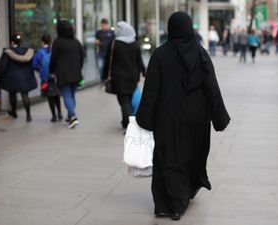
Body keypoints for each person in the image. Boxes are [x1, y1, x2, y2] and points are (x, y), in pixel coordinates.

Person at [136, 12, 230, 221]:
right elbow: (211, 87)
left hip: (167, 117)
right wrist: (220, 117)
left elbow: (151, 90)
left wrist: (145, 118)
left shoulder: (160, 55)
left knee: (166, 158)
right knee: (189, 157)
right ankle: (179, 202)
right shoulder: (201, 54)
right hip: (196, 119)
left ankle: (163, 204)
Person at [103, 21, 145, 130]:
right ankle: (126, 121)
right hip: (132, 77)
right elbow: (139, 61)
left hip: (118, 78)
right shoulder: (135, 44)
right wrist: (144, 72)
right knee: (128, 100)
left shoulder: (114, 43)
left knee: (124, 101)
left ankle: (129, 124)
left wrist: (104, 76)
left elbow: (108, 61)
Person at [50, 20, 84, 129]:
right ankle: (70, 116)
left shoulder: (58, 42)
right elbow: (82, 57)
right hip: (76, 72)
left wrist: (51, 71)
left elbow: (53, 59)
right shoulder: (76, 42)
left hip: (63, 73)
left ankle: (73, 117)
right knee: (71, 95)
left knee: (66, 95)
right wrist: (79, 68)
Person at [0, 33, 37, 122]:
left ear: (12, 42)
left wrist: (1, 75)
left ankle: (14, 112)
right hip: (25, 77)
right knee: (25, 95)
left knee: (12, 95)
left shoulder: (7, 52)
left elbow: (3, 66)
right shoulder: (27, 51)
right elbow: (32, 64)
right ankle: (28, 115)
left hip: (12, 77)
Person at [32, 34, 62, 122]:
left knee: (50, 97)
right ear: (51, 41)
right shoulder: (54, 50)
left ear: (42, 42)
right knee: (56, 95)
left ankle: (54, 116)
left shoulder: (40, 52)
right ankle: (59, 113)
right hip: (56, 77)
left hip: (46, 79)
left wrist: (39, 69)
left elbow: (33, 65)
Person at [95, 18, 115, 83]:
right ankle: (103, 79)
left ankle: (108, 79)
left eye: (104, 25)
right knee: (101, 66)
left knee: (109, 67)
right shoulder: (98, 32)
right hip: (101, 53)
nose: (103, 26)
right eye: (102, 25)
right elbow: (96, 41)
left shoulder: (111, 32)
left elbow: (114, 42)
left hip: (109, 54)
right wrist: (97, 43)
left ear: (107, 25)